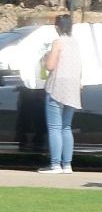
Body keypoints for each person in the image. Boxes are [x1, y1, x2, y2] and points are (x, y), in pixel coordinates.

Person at [39, 13, 82, 174]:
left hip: (57, 86)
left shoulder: (58, 42)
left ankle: (55, 164)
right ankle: (67, 164)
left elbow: (50, 66)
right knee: (66, 127)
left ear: (57, 27)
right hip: (73, 86)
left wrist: (44, 59)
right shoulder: (75, 43)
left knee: (55, 127)